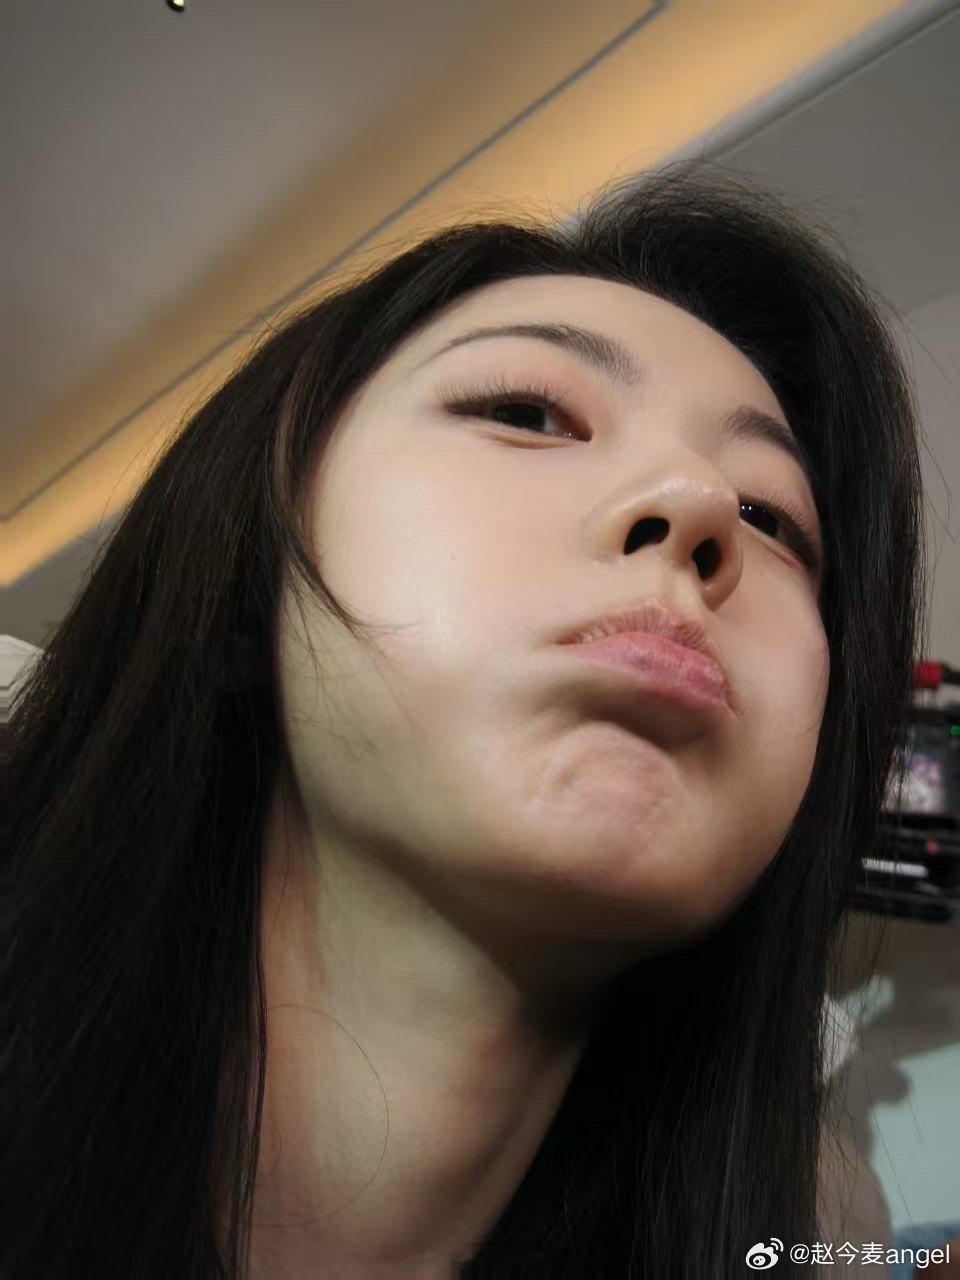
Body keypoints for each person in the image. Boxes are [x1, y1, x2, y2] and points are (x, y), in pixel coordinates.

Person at [0, 163, 928, 1279]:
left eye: (771, 516)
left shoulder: (813, 1236)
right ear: (248, 576)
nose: (698, 508)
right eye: (526, 414)